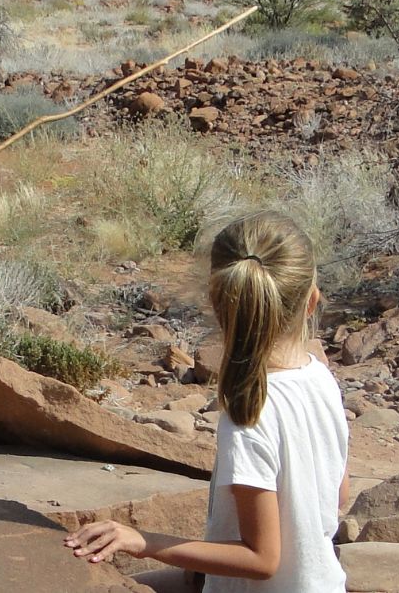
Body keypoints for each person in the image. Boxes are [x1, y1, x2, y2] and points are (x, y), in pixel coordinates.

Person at [63, 212, 350, 593]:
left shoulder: (250, 411)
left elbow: (263, 560)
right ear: (311, 302)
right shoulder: (321, 379)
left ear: (219, 305)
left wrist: (144, 541)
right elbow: (337, 495)